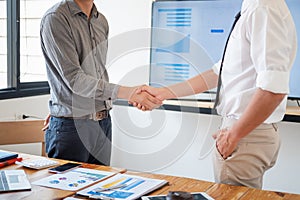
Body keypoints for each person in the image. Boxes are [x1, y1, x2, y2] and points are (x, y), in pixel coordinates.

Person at [133, 0, 297, 189]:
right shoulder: (256, 7)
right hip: (249, 133)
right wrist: (163, 93)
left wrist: (233, 136)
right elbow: (218, 73)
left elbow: (272, 90)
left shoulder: (262, 7)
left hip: (244, 135)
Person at [40, 0, 161, 165]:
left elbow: (95, 73)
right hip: (72, 127)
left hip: (103, 123)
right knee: (69, 190)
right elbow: (75, 80)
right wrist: (129, 93)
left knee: (100, 189)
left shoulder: (101, 21)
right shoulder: (56, 18)